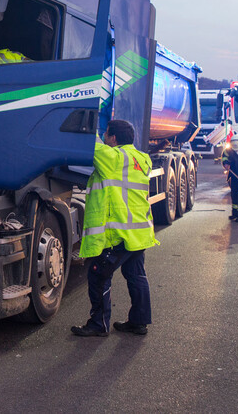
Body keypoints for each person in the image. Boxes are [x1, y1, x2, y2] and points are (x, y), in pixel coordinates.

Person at [71, 119, 159, 337]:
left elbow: (92, 143)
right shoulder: (141, 158)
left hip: (118, 235)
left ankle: (98, 324)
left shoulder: (113, 158)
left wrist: (83, 118)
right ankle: (139, 322)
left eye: (106, 134)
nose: (105, 137)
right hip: (138, 233)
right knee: (136, 276)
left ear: (113, 138)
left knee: (98, 275)